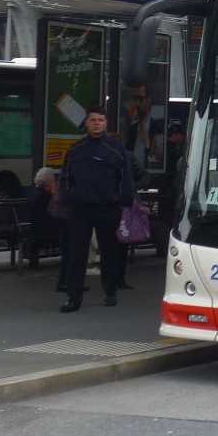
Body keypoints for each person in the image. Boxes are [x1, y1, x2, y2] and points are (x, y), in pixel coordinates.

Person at [57, 107, 134, 313]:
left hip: (107, 209)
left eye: (100, 119)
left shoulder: (116, 150)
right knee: (77, 253)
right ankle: (73, 298)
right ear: (87, 122)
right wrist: (68, 199)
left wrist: (123, 202)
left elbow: (126, 178)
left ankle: (110, 292)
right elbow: (65, 177)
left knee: (109, 252)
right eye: (93, 120)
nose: (97, 123)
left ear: (106, 123)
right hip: (79, 209)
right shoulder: (75, 150)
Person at [107, 132, 151, 291]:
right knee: (123, 242)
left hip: (109, 205)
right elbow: (145, 176)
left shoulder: (105, 157)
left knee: (110, 242)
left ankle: (112, 278)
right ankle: (119, 278)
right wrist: (132, 186)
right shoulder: (129, 156)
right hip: (126, 204)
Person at [124, 87, 163, 171]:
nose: (138, 104)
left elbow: (158, 160)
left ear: (148, 101)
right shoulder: (132, 129)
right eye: (136, 100)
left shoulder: (157, 128)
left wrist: (147, 144)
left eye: (141, 100)